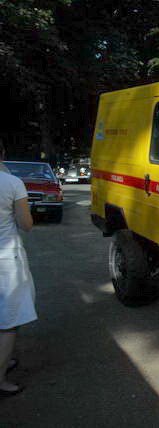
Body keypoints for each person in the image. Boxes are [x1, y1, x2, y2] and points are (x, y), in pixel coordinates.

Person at [0, 141, 36, 396]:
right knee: (9, 322)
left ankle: (4, 360)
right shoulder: (12, 183)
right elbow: (26, 224)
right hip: (6, 260)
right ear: (3, 153)